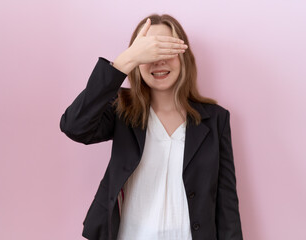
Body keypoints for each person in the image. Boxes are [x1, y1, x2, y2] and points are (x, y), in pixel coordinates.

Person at [60, 14, 243, 240]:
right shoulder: (121, 110)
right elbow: (74, 126)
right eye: (149, 52)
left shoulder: (216, 119)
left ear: (184, 57)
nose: (159, 61)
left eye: (167, 50)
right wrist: (125, 61)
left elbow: (227, 205)